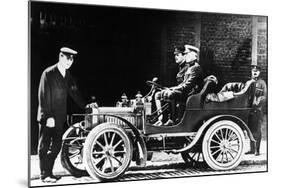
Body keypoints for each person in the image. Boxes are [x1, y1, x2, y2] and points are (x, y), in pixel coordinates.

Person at [37, 47, 86, 183]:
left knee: (57, 146)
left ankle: (49, 173)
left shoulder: (67, 74)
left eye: (72, 60)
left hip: (59, 117)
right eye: (67, 58)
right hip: (48, 117)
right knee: (44, 145)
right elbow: (43, 96)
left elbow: (74, 93)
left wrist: (86, 106)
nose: (70, 62)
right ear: (61, 57)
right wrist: (48, 117)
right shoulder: (48, 73)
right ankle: (44, 174)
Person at [154, 44, 203, 126]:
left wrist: (172, 90)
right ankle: (165, 119)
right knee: (165, 93)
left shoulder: (195, 68)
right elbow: (184, 83)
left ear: (192, 55)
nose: (186, 56)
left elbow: (187, 85)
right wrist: (172, 88)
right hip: (188, 92)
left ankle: (172, 120)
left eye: (187, 54)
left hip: (192, 94)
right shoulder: (191, 67)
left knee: (170, 94)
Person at [245, 65, 267, 156]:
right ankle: (251, 149)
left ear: (259, 72)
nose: (255, 72)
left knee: (257, 129)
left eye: (256, 71)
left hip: (258, 109)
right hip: (249, 109)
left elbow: (264, 96)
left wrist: (257, 102)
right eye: (253, 71)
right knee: (250, 128)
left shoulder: (262, 83)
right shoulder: (249, 82)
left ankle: (257, 150)